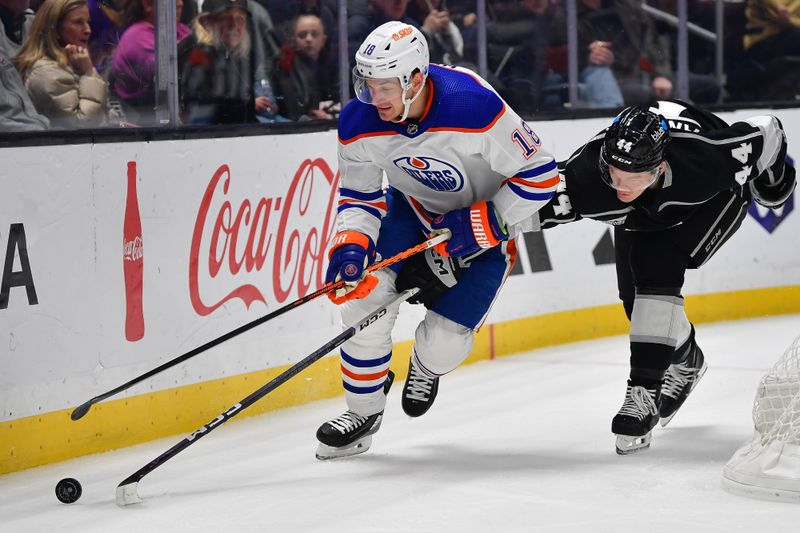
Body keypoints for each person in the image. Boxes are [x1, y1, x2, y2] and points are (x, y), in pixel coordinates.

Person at [315, 21, 559, 460]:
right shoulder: (358, 120)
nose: (375, 98)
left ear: (416, 77)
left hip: (483, 230)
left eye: (385, 86)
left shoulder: (474, 105)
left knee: (443, 343)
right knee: (363, 302)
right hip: (411, 211)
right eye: (367, 84)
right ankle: (363, 412)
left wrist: (490, 220)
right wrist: (351, 243)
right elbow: (359, 195)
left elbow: (542, 174)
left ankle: (426, 367)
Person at [534, 100, 795, 454]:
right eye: (615, 173)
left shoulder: (705, 160)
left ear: (660, 166)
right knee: (635, 305)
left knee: (657, 263)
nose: (622, 186)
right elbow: (518, 207)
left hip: (709, 199)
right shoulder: (586, 178)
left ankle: (642, 394)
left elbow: (767, 128)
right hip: (642, 213)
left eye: (636, 176)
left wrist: (774, 183)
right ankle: (687, 360)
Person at [14, 0, 112, 128]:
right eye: (78, 22)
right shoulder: (46, 73)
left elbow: (109, 115)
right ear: (55, 29)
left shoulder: (75, 64)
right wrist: (89, 73)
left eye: (88, 22)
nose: (88, 30)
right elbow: (83, 126)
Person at [178, 0, 272, 124]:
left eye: (240, 19)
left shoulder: (243, 55)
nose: (234, 25)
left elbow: (247, 111)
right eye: (225, 18)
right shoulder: (194, 52)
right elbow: (195, 109)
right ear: (209, 23)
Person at [110, 0, 190, 125]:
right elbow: (171, 75)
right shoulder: (136, 37)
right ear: (148, 4)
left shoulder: (180, 29)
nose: (180, 3)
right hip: (148, 123)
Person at [270, 13, 338, 120]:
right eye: (302, 35)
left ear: (323, 40)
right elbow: (291, 109)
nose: (308, 39)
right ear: (294, 40)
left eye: (314, 34)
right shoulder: (285, 65)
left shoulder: (334, 65)